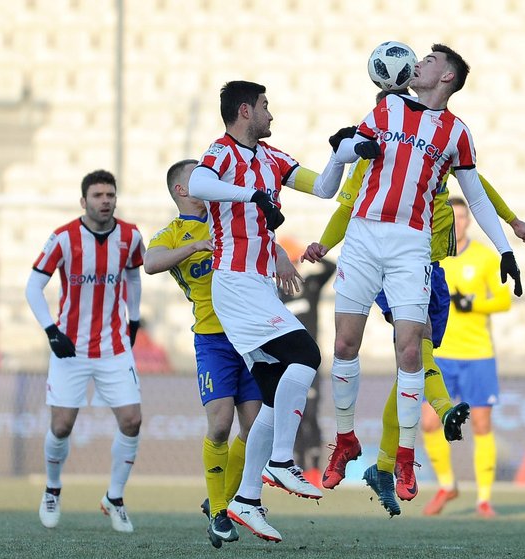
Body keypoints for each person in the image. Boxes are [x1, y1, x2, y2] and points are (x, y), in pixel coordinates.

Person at [303, 92, 525, 517]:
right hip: (393, 264)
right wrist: (325, 241)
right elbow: (346, 206)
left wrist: (511, 220)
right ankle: (441, 411)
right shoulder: (370, 166)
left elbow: (478, 184)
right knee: (414, 348)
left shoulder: (433, 165)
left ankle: (387, 466)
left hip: (430, 269)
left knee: (407, 369)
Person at [187, 80, 347, 542]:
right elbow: (199, 182)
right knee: (307, 356)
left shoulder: (273, 159)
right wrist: (249, 196)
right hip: (234, 283)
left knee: (276, 393)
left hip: (256, 285)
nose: (270, 114)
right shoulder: (221, 153)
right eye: (264, 106)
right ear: (244, 111)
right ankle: (280, 461)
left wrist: (342, 152)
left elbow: (322, 188)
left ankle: (247, 498)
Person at [143, 159, 301, 548]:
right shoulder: (174, 232)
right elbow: (149, 264)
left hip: (250, 334)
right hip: (213, 341)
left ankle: (223, 503)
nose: (210, 182)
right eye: (199, 179)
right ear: (182, 190)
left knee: (255, 428)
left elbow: (262, 238)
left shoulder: (226, 220)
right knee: (219, 424)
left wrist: (279, 254)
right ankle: (218, 513)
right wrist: (195, 246)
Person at [25, 169, 145, 533]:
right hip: (70, 348)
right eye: (97, 195)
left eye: (110, 195)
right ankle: (52, 489)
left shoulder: (130, 236)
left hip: (113, 347)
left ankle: (115, 497)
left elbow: (134, 277)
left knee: (132, 420)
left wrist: (134, 319)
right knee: (61, 426)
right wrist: (50, 331)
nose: (105, 201)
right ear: (84, 201)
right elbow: (33, 286)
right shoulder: (63, 238)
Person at [422, 196, 512, 518]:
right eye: (452, 217)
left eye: (462, 217)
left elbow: (503, 300)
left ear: (468, 222)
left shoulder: (485, 258)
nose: (457, 222)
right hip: (441, 354)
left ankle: (484, 499)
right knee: (430, 422)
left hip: (477, 354)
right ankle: (447, 485)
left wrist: (471, 304)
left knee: (482, 423)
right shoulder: (433, 256)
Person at [276, 237, 337, 487]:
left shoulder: (309, 284)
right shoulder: (275, 292)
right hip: (283, 362)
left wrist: (312, 254)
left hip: (309, 361)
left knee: (310, 414)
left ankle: (314, 467)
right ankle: (296, 465)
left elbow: (331, 268)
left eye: (293, 260)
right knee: (291, 416)